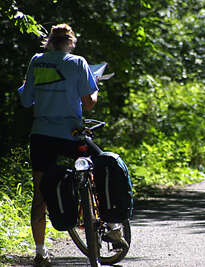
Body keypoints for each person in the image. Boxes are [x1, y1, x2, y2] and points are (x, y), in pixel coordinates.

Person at [18, 24, 101, 266]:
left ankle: (41, 252)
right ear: (71, 42)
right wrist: (94, 86)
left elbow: (25, 100)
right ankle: (107, 221)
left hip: (42, 135)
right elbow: (89, 104)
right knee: (98, 165)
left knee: (39, 194)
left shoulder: (37, 60)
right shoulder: (78, 63)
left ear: (50, 41)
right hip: (71, 134)